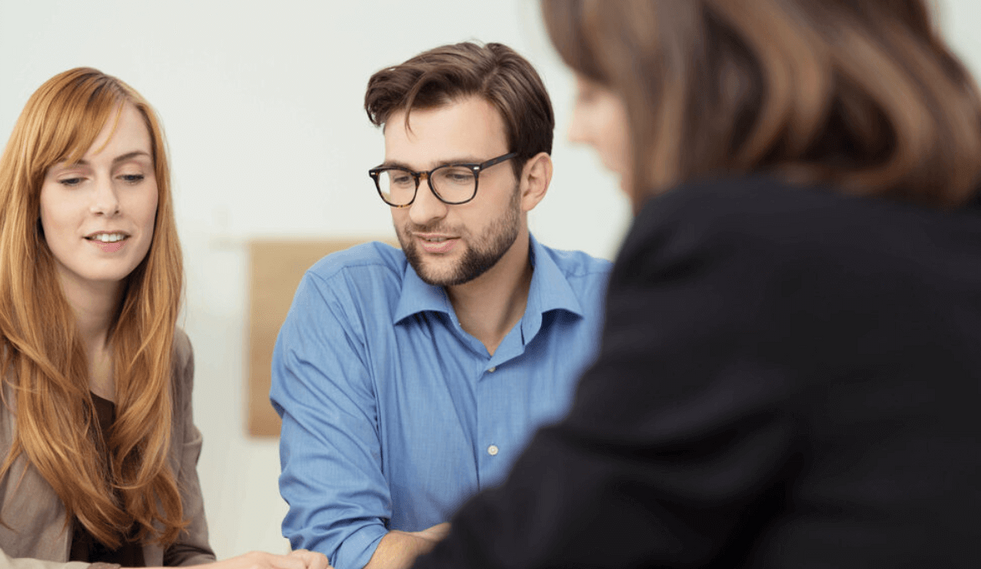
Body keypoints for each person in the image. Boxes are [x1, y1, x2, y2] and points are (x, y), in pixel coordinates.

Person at [410, 1, 981, 568]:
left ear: (703, 81)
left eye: (598, 88)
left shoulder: (736, 252)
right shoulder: (948, 231)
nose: (579, 130)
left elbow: (535, 546)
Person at [0, 68, 328, 569]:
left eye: (131, 176)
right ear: (32, 198)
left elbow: (181, 554)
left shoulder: (168, 352)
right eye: (73, 179)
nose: (108, 203)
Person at [270, 42, 612, 569]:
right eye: (403, 178)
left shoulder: (619, 311)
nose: (421, 211)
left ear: (532, 181)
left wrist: (421, 549)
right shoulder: (342, 303)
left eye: (457, 175)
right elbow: (337, 550)